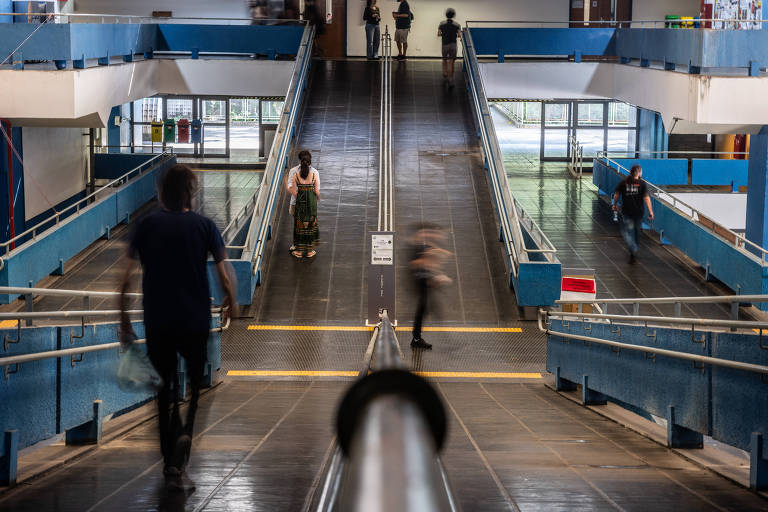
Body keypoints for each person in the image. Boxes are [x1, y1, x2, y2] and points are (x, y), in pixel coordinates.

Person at [120, 164, 237, 492]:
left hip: (158, 320)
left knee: (164, 388)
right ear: (189, 193)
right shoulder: (205, 226)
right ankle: (187, 425)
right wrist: (230, 299)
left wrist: (123, 319)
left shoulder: (145, 226)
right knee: (196, 386)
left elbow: (126, 277)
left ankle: (170, 455)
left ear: (161, 193)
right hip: (196, 319)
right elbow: (223, 271)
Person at [409, 223, 453, 350]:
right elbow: (417, 264)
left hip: (424, 281)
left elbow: (430, 263)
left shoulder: (425, 246)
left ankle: (417, 337)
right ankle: (417, 338)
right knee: (424, 308)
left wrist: (436, 276)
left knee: (425, 308)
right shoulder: (416, 247)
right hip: (420, 281)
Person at [613, 164, 654, 264]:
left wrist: (614, 204)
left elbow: (616, 194)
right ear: (639, 173)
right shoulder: (642, 184)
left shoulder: (624, 182)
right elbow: (646, 198)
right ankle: (633, 248)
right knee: (636, 232)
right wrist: (651, 211)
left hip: (627, 211)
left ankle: (632, 249)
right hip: (639, 212)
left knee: (628, 231)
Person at [288, 156, 320, 258]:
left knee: (300, 226)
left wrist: (300, 197)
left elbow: (292, 190)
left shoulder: (295, 175)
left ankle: (299, 252)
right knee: (311, 225)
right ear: (310, 164)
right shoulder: (314, 175)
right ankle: (310, 251)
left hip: (300, 205)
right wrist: (316, 198)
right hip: (311, 205)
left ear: (300, 164)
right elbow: (317, 191)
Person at [438, 8, 461, 87]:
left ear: (446, 15)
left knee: (444, 59)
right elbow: (459, 35)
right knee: (451, 62)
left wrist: (443, 35)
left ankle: (444, 72)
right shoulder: (457, 25)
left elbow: (438, 34)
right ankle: (450, 79)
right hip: (453, 45)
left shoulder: (442, 23)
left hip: (445, 44)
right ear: (453, 15)